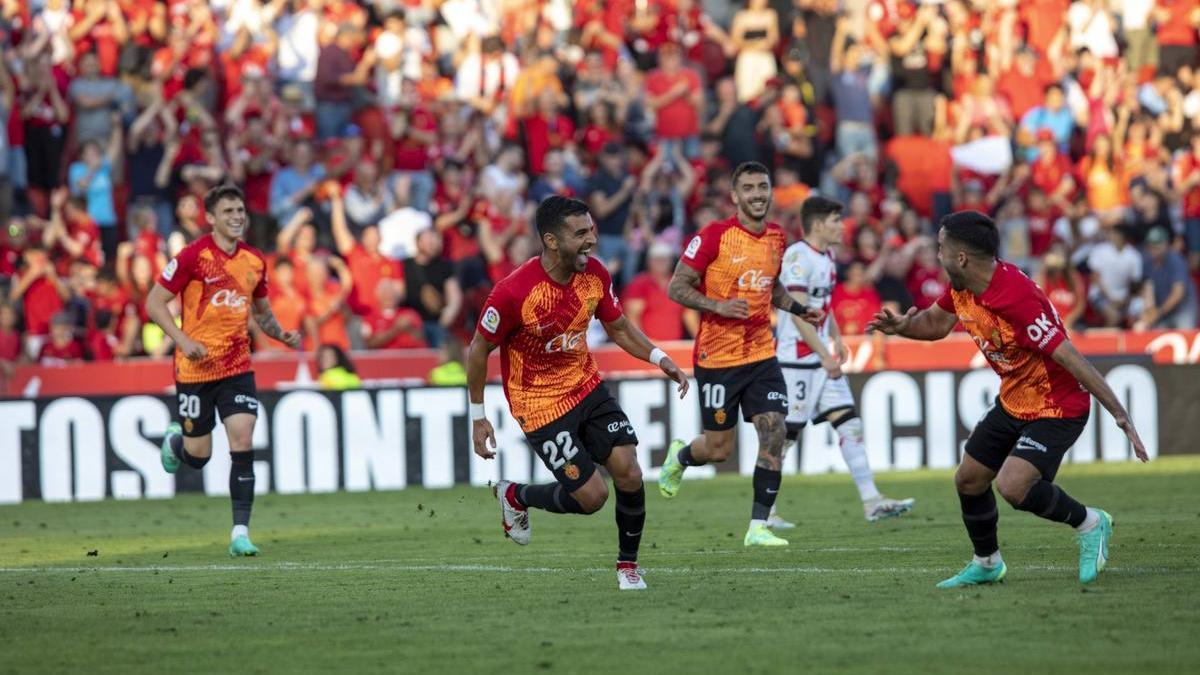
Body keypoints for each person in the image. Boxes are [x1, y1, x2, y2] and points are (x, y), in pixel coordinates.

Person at [866, 211, 1149, 588]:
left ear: (961, 257)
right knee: (969, 479)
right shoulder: (964, 286)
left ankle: (1091, 523)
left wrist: (1120, 415)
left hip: (1057, 406)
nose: (938, 256)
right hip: (1014, 398)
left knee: (1013, 486)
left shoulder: (1015, 299)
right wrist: (903, 327)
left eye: (941, 248)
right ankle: (987, 563)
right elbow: (935, 324)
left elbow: (1071, 357)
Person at [468, 196, 689, 591]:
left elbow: (619, 328)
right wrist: (478, 416)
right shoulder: (514, 292)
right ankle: (517, 495)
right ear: (552, 240)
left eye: (592, 229)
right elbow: (478, 349)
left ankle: (628, 566)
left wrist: (659, 357)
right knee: (592, 498)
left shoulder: (595, 276)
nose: (592, 239)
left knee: (629, 469)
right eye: (581, 233)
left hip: (586, 386)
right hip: (539, 405)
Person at [658, 161, 819, 547]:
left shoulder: (778, 237)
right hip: (718, 359)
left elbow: (772, 286)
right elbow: (676, 287)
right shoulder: (714, 235)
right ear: (735, 196)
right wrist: (716, 305)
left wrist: (797, 309)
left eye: (763, 187)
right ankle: (680, 458)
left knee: (775, 430)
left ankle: (758, 526)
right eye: (748, 188)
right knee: (718, 450)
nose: (758, 194)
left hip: (761, 354)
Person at [147, 185, 302, 557]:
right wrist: (182, 340)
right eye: (229, 211)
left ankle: (240, 533)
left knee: (243, 441)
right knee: (198, 456)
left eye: (240, 210)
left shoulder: (254, 261)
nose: (237, 217)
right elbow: (154, 302)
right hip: (195, 370)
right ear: (211, 218)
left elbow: (261, 311)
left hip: (237, 367)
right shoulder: (193, 257)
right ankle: (175, 442)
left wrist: (279, 333)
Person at [776, 196, 915, 524]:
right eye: (837, 220)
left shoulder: (828, 256)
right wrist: (824, 353)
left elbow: (821, 305)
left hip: (821, 356)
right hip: (796, 361)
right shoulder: (798, 256)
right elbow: (796, 314)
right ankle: (763, 515)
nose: (842, 226)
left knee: (850, 424)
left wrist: (835, 337)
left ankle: (872, 501)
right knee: (783, 438)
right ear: (819, 223)